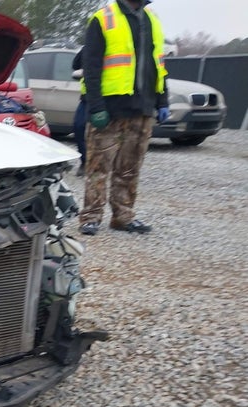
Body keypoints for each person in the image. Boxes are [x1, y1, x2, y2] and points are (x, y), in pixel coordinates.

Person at [79, 0, 169, 236]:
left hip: (142, 109)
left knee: (129, 169)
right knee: (98, 168)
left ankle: (123, 216)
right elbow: (91, 67)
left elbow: (159, 65)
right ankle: (91, 217)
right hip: (110, 108)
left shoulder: (152, 20)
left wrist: (162, 101)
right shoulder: (103, 19)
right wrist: (96, 107)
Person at [72, 48, 87, 177]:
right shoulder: (88, 48)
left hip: (106, 97)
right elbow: (75, 65)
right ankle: (85, 162)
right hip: (86, 99)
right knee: (78, 127)